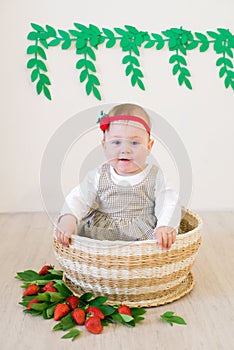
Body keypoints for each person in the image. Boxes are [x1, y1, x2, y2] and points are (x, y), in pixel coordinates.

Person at [55, 103, 181, 250]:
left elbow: (169, 201)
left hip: (141, 239)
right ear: (104, 145)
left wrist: (165, 225)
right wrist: (69, 218)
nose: (125, 149)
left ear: (149, 146)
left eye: (134, 142)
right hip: (101, 237)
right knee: (87, 245)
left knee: (152, 248)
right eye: (116, 142)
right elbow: (79, 197)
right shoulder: (98, 175)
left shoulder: (156, 176)